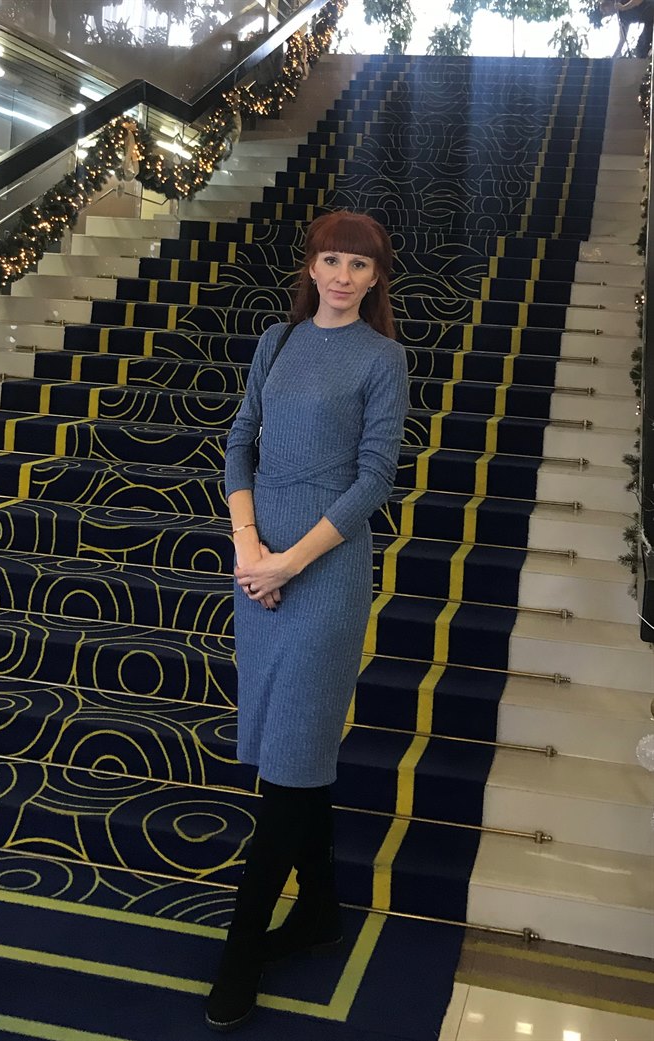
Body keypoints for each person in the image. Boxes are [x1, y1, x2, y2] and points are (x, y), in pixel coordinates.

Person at [205, 211, 409, 1033]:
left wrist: (289, 563)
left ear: (376, 277)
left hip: (323, 576)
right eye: (331, 259)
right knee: (297, 752)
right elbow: (239, 443)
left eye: (359, 265)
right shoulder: (277, 341)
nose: (342, 276)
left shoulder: (382, 357)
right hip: (257, 568)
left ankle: (240, 950)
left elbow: (374, 480)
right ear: (312, 265)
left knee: (288, 765)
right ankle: (321, 908)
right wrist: (248, 545)